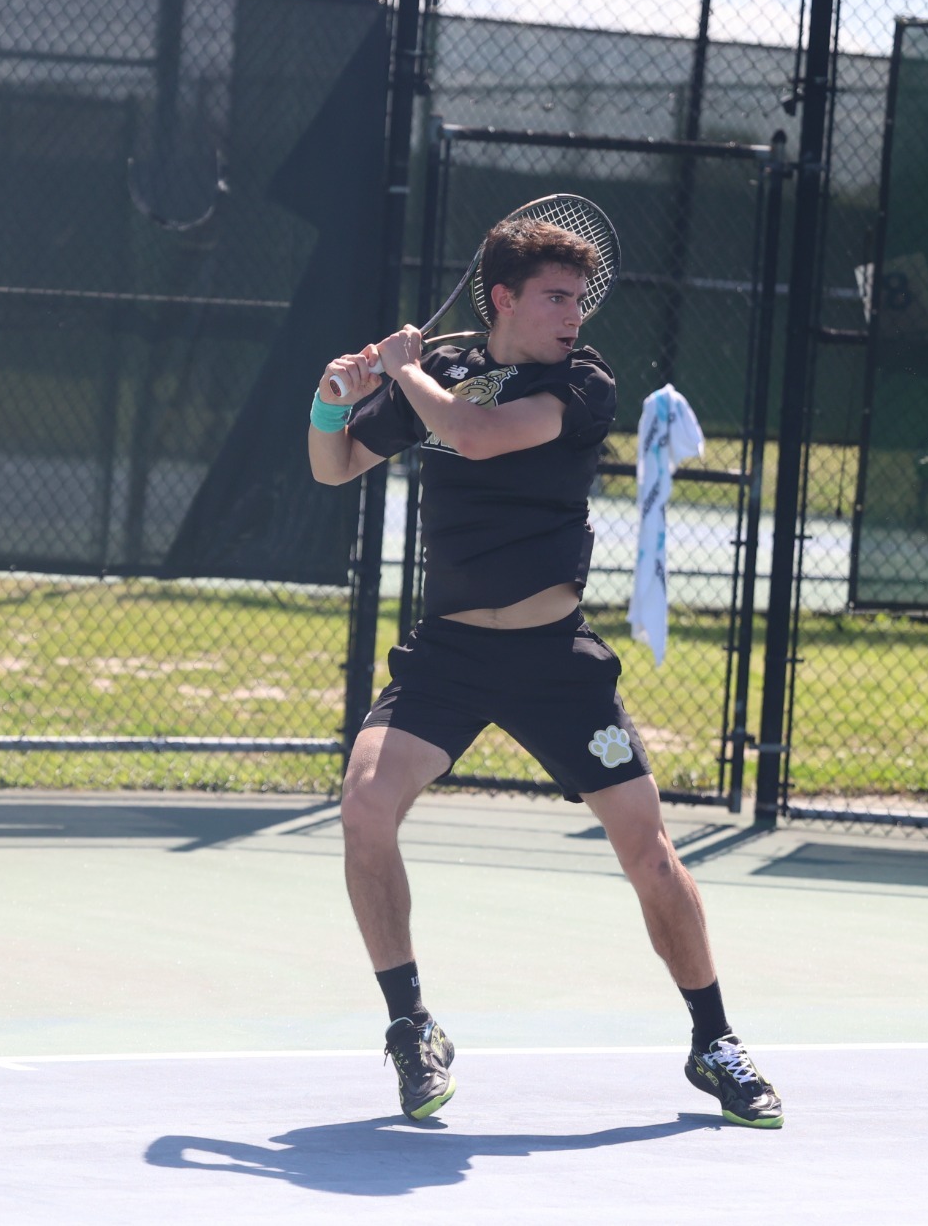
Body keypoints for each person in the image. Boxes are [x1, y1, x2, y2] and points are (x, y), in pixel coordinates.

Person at [306, 217, 782, 1130]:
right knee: (364, 804)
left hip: (555, 660)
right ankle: (411, 1026)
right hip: (448, 655)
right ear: (504, 301)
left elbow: (476, 436)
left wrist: (402, 369)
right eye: (557, 297)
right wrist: (332, 397)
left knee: (647, 848)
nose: (575, 313)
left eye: (580, 297)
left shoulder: (581, 381)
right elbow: (336, 467)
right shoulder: (438, 369)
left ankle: (714, 1040)